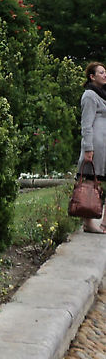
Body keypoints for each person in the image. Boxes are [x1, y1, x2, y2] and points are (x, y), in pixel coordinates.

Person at [78, 61, 106, 232]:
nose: (105, 75)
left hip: (105, 144)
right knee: (89, 182)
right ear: (92, 76)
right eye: (101, 72)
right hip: (96, 145)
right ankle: (88, 223)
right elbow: (86, 124)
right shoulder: (89, 95)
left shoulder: (103, 94)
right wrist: (88, 148)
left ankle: (104, 223)